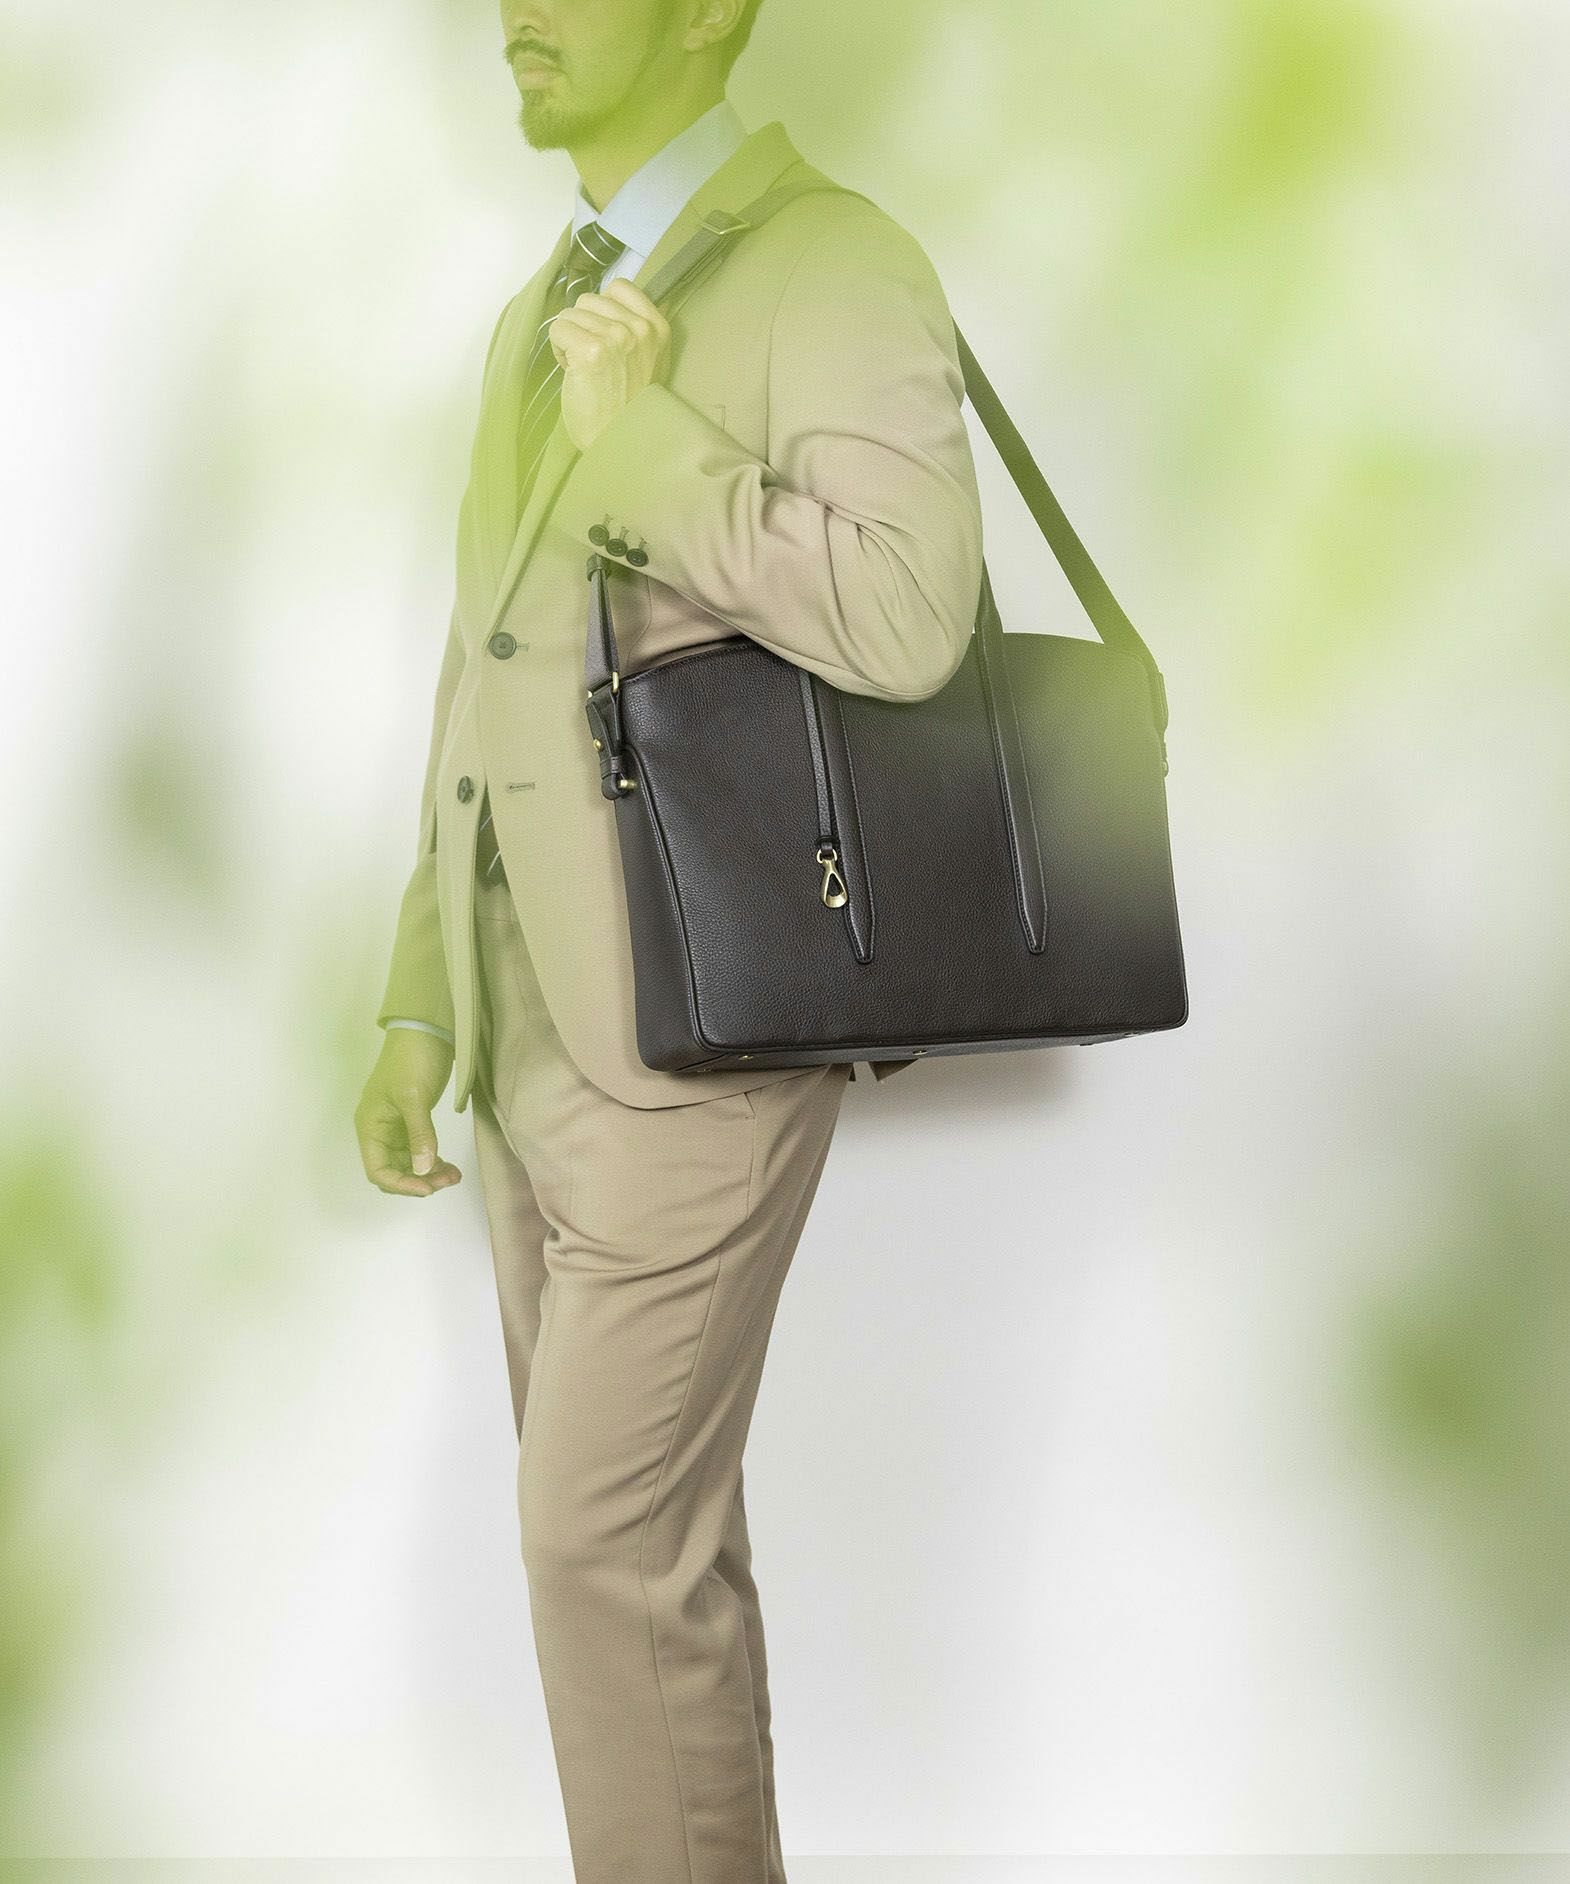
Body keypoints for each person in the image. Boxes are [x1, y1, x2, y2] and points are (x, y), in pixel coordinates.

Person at [353, 1, 985, 1876]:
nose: (518, 11)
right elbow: (482, 666)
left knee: (603, 1553)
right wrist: (418, 1000)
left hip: (698, 1026)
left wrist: (648, 452)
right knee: (644, 1566)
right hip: (523, 1030)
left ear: (711, 10)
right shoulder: (537, 307)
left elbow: (908, 620)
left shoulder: (835, 259)